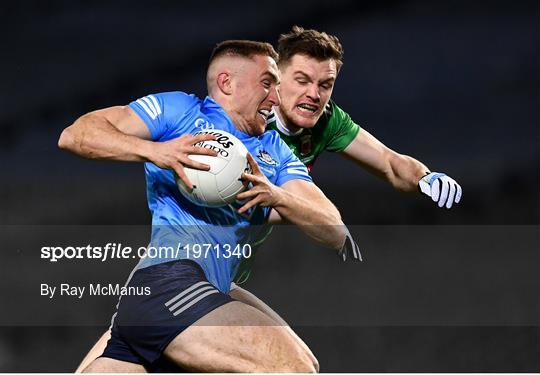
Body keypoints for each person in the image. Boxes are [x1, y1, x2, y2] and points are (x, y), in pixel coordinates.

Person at [60, 40, 358, 372]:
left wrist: (279, 196)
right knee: (293, 367)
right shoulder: (181, 113)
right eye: (267, 83)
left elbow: (334, 230)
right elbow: (76, 135)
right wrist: (156, 151)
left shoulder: (275, 153)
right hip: (169, 284)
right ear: (226, 82)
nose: (276, 98)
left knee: (308, 366)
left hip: (193, 295)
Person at [269, 26, 462, 208]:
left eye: (325, 85)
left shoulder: (328, 119)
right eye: (302, 81)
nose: (314, 94)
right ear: (277, 77)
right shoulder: (246, 115)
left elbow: (389, 162)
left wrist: (425, 178)